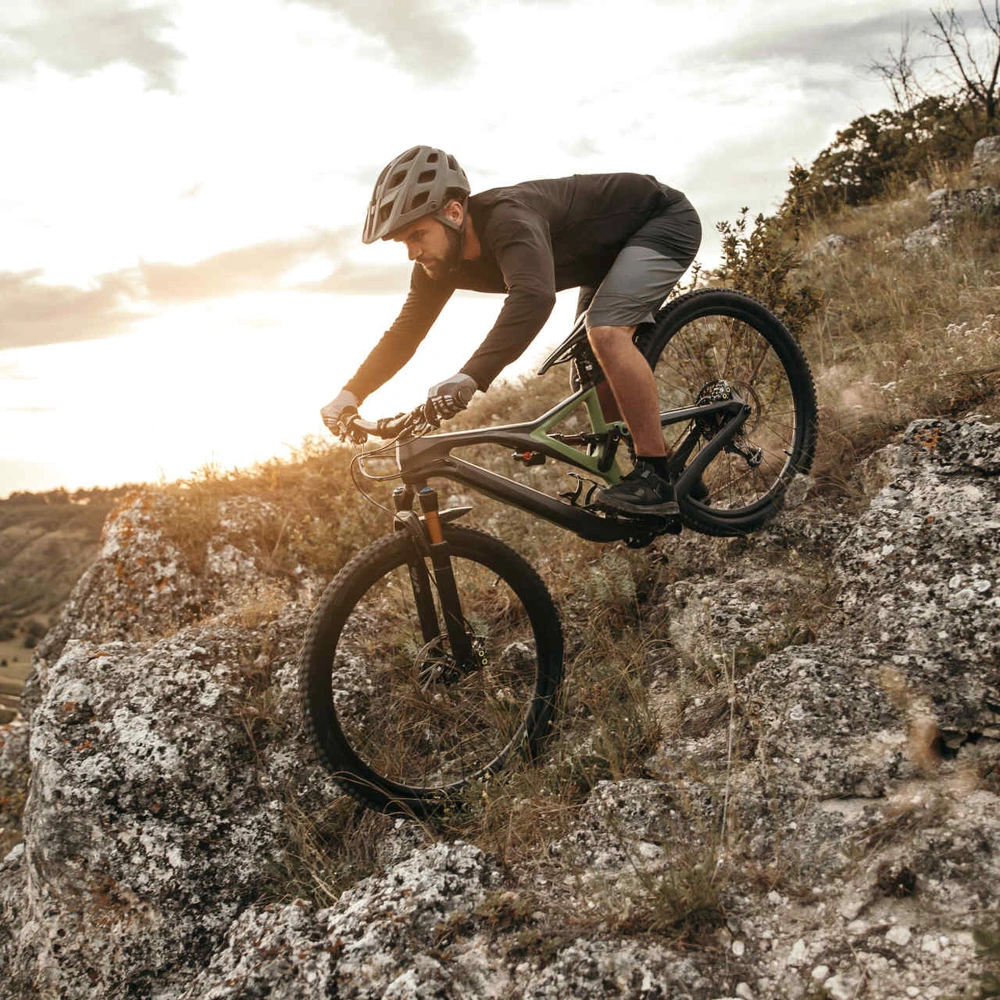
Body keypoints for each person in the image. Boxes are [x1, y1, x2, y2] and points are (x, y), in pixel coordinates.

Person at [321, 145, 701, 517]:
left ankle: (656, 480)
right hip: (604, 260)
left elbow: (534, 298)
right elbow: (405, 333)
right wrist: (351, 393)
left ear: (454, 212)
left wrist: (471, 375)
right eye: (404, 242)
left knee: (606, 332)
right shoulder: (436, 266)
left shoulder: (508, 220)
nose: (412, 253)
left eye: (417, 235)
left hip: (661, 220)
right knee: (588, 376)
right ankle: (681, 476)